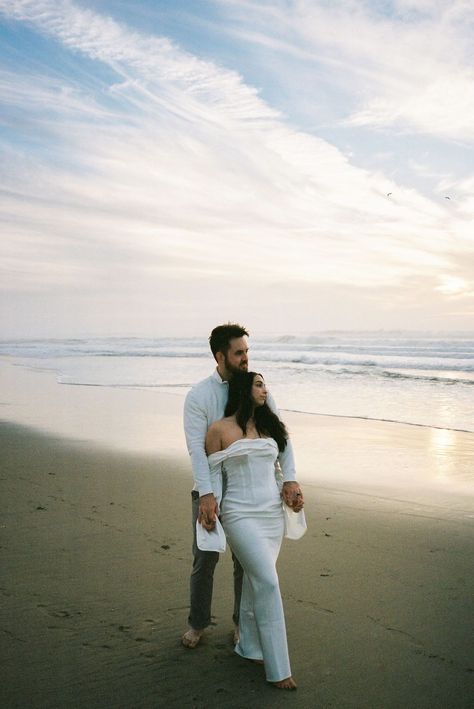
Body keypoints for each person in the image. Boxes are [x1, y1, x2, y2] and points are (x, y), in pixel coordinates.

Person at [182, 324, 302, 649]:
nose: (246, 358)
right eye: (239, 353)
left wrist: (289, 478)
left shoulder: (257, 389)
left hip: (248, 495)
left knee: (244, 562)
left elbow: (281, 438)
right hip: (208, 490)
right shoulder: (199, 396)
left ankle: (241, 622)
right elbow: (196, 449)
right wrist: (206, 494)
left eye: (247, 351)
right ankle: (198, 623)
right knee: (204, 559)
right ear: (220, 356)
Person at [205, 371, 304, 690]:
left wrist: (291, 490)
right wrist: (210, 509)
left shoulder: (269, 426)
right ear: (243, 390)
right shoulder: (219, 430)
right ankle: (279, 668)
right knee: (268, 581)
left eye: (265, 384)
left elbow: (284, 461)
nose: (265, 390)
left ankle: (247, 645)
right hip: (239, 513)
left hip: (271, 513)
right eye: (259, 384)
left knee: (254, 579)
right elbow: (212, 476)